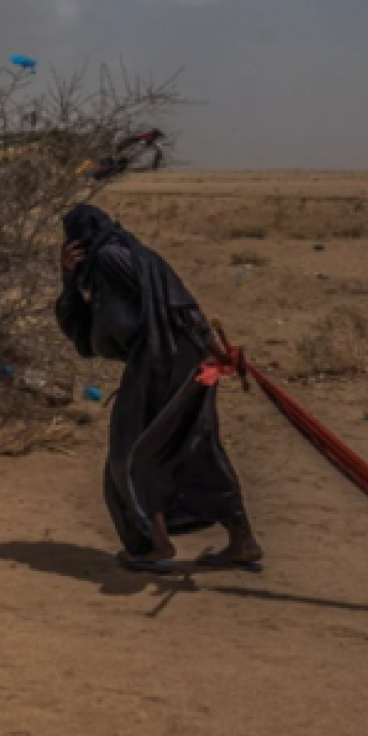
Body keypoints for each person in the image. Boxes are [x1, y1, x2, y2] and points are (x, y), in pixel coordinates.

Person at [56, 204, 263, 573]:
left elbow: (180, 306)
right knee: (194, 446)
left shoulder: (109, 256)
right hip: (170, 359)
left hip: (164, 360)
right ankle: (240, 539)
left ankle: (154, 543)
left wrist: (218, 351)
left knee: (132, 449)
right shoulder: (118, 256)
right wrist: (68, 277)